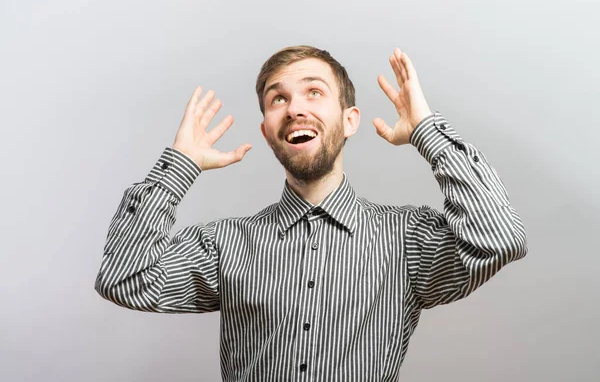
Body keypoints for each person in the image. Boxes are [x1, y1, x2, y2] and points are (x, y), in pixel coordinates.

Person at [95, 45, 528, 381]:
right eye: (277, 98)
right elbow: (123, 279)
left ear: (350, 119)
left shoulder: (405, 238)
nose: (295, 108)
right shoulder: (225, 245)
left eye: (314, 92)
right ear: (267, 132)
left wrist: (428, 133)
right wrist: (178, 166)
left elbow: (498, 237)